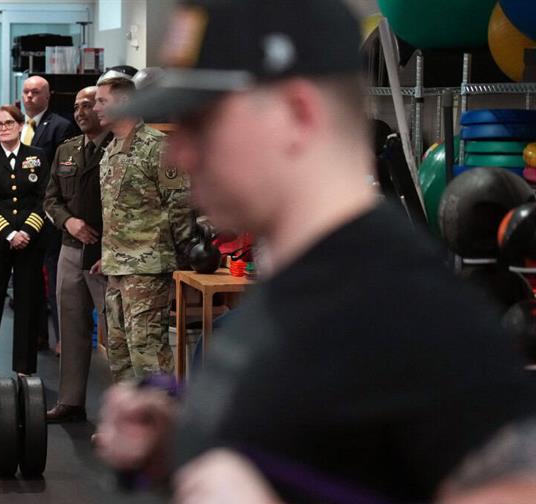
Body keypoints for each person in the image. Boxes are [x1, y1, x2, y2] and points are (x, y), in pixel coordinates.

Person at [94, 0, 536, 502]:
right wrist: (182, 441)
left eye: (203, 122)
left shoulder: (408, 314)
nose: (180, 151)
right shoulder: (297, 283)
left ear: (295, 113)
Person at [93, 70, 194, 383]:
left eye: (101, 101)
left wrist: (187, 252)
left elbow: (180, 204)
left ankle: (160, 429)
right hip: (117, 268)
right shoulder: (110, 150)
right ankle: (130, 428)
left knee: (147, 353)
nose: (95, 107)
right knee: (119, 354)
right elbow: (117, 212)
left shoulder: (158, 147)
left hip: (148, 268)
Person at [43, 86, 112, 422]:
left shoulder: (118, 148)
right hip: (70, 250)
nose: (82, 111)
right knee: (71, 328)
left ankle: (121, 410)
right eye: (76, 106)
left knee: (116, 335)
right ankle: (71, 401)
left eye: (89, 104)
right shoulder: (66, 150)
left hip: (107, 255)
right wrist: (68, 222)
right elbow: (51, 199)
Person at [0, 105, 49, 376]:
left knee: (28, 303)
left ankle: (24, 367)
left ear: (21, 126)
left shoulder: (37, 157)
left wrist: (27, 233)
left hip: (30, 241)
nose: (3, 127)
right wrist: (8, 233)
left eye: (8, 122)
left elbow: (44, 198)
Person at [20, 75, 79, 354]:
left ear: (47, 96)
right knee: (30, 279)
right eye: (26, 92)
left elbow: (63, 172)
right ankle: (37, 334)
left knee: (55, 279)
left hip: (50, 212)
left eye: (35, 92)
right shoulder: (18, 125)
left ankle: (62, 338)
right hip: (23, 212)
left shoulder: (60, 126)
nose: (29, 97)